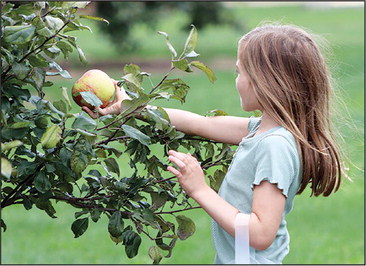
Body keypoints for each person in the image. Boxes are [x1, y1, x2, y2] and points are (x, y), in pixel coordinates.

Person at [82, 23, 346, 264]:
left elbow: (261, 233)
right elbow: (200, 123)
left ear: (266, 82)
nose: (236, 79)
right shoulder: (262, 130)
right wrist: (131, 107)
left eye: (239, 72)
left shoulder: (274, 145)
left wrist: (200, 190)